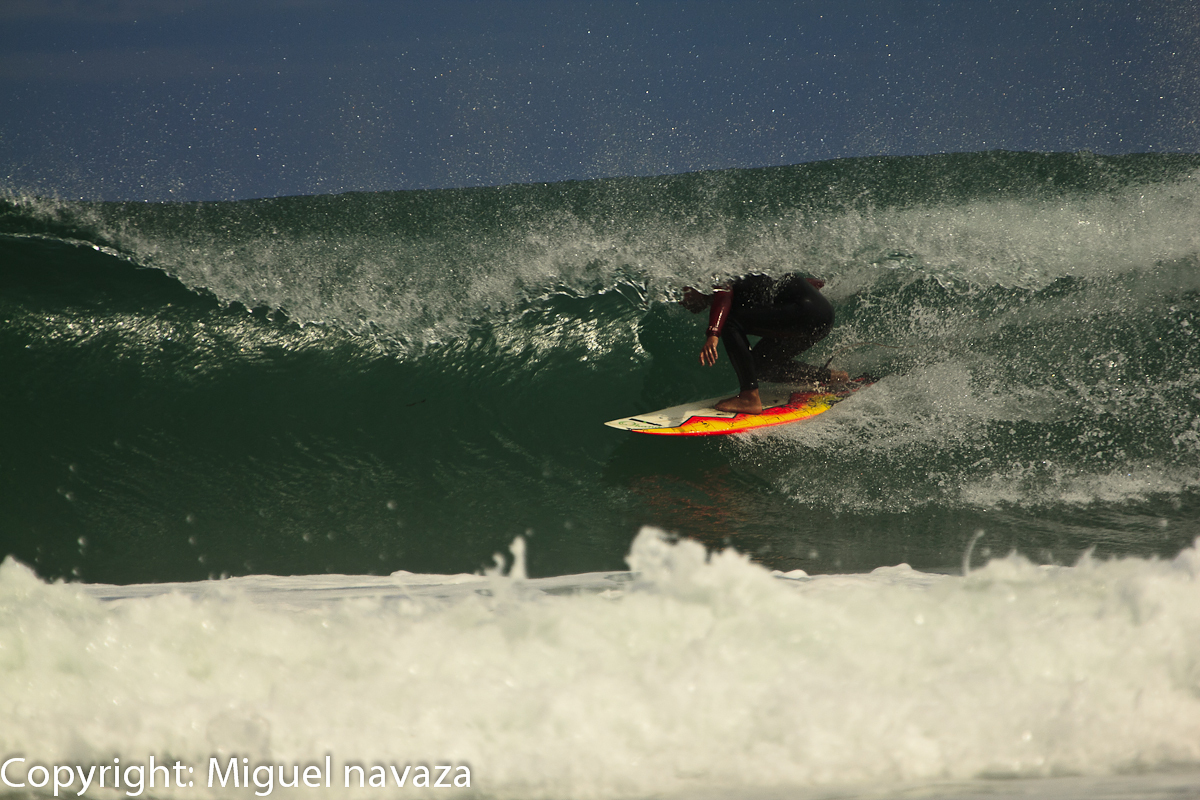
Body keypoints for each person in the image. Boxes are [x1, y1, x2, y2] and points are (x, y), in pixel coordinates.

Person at [680, 273, 848, 414]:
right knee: (760, 366)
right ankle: (830, 377)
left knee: (729, 320)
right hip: (818, 316)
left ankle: (749, 397)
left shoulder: (715, 273)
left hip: (807, 313)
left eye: (684, 294)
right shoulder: (742, 274)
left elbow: (724, 293)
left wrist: (713, 334)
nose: (683, 301)